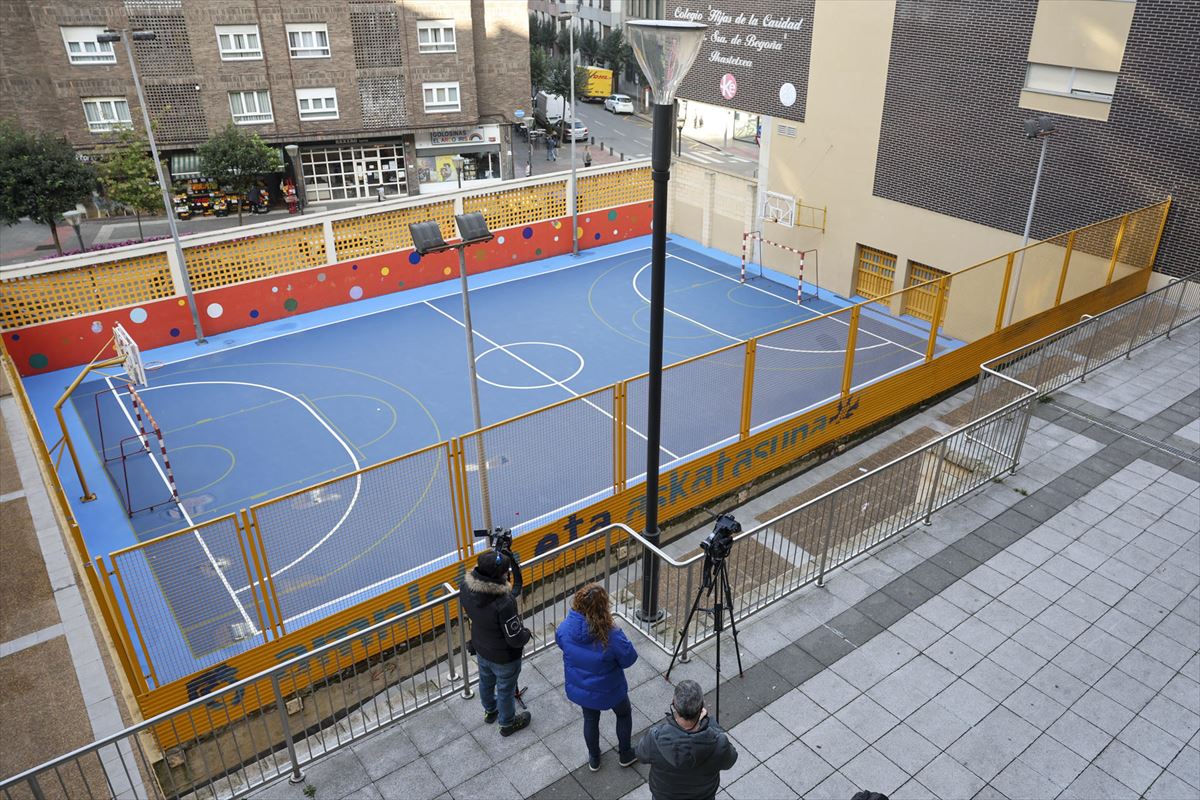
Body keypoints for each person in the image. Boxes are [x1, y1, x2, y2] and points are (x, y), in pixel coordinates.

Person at [555, 584, 639, 771]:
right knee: (623, 714)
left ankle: (594, 759)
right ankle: (625, 754)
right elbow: (629, 658)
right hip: (611, 688)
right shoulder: (611, 633)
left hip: (583, 689)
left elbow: (560, 641)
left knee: (590, 720)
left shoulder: (566, 627)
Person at [459, 549, 532, 736]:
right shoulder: (504, 603)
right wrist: (526, 634)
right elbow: (514, 638)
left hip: (481, 648)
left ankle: (490, 711)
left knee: (485, 682)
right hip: (504, 657)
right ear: (499, 575)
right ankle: (507, 723)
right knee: (505, 689)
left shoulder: (465, 587)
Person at [635, 680, 738, 800]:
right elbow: (730, 760)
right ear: (702, 707)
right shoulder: (718, 743)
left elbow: (640, 754)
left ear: (674, 703)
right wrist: (711, 724)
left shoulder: (654, 737)